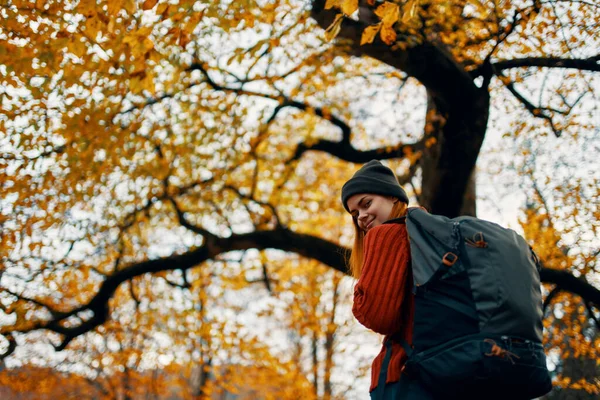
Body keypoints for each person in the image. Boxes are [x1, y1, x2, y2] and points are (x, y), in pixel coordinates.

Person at [341, 160, 432, 400]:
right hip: (447, 368)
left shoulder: (387, 234)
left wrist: (360, 294)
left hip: (408, 377)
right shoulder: (424, 235)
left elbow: (378, 316)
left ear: (393, 197)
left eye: (366, 203)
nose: (361, 216)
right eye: (354, 213)